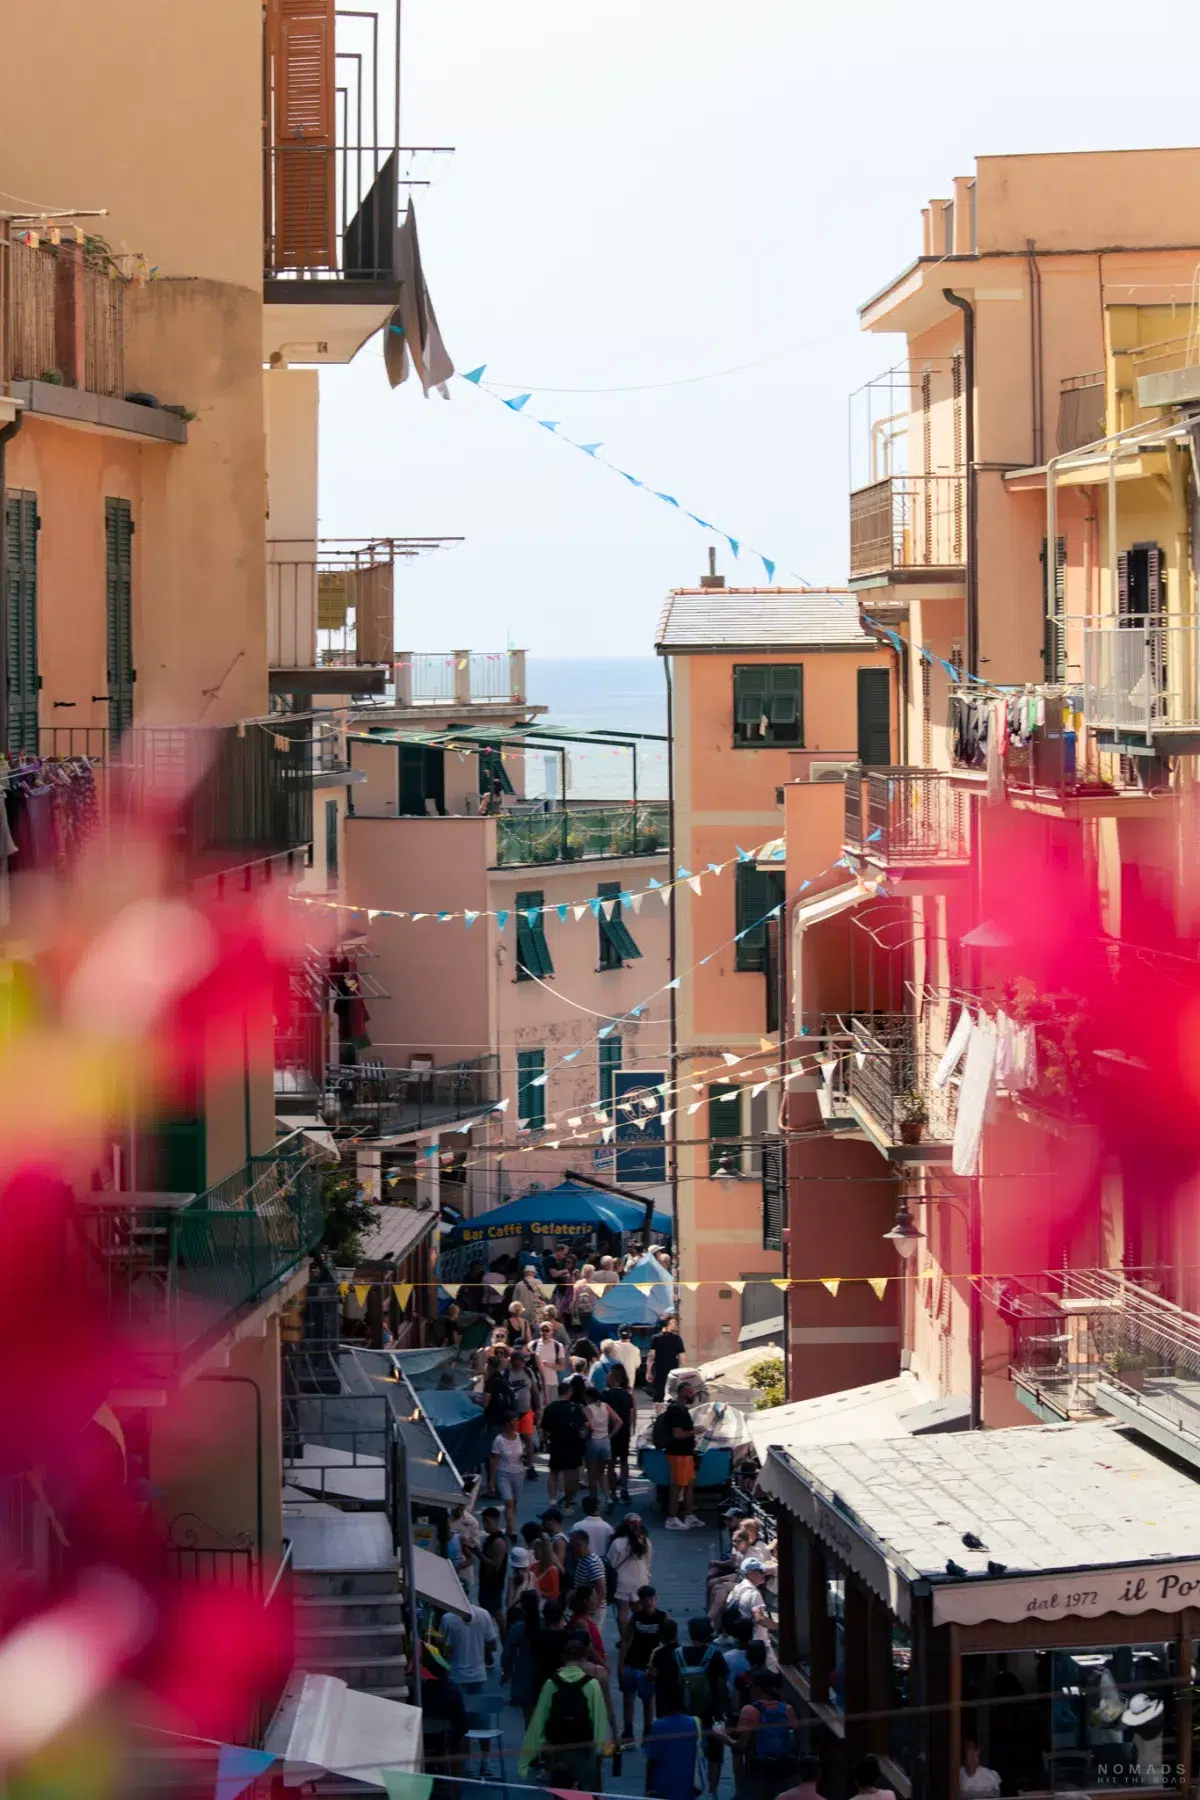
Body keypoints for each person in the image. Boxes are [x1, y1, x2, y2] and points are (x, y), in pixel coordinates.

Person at [519, 1627, 610, 1793]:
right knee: (588, 1792)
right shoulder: (592, 1685)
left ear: (562, 1657)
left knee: (561, 1792)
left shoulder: (551, 1684)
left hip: (558, 1752)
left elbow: (538, 1721)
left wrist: (526, 1759)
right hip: (584, 1752)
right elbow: (599, 1720)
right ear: (584, 1656)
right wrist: (602, 1751)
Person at [677, 1616, 729, 1797]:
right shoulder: (715, 1655)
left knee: (688, 1751)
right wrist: (723, 1710)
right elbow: (722, 1685)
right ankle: (712, 1790)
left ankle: (690, 1787)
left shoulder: (679, 1654)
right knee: (715, 1753)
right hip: (711, 1711)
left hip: (686, 1711)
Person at [736, 1669, 801, 1800]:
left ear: (758, 1688)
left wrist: (721, 1736)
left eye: (751, 1687)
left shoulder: (749, 1710)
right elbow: (794, 1736)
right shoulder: (788, 1709)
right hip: (783, 1770)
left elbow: (740, 1746)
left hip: (758, 1770)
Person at [619, 1583, 669, 1742]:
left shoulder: (663, 1618)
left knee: (648, 1700)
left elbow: (668, 1642)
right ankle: (628, 1731)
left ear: (655, 1599)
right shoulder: (636, 1618)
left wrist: (660, 1666)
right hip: (632, 1661)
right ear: (640, 1601)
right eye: (645, 1599)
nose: (649, 1602)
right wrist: (621, 1664)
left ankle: (648, 1730)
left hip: (649, 1665)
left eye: (651, 1598)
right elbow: (626, 1640)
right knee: (628, 1697)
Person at [645, 1663, 702, 1800]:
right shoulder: (694, 1723)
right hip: (687, 1787)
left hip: (662, 1788)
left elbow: (652, 1760)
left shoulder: (657, 1726)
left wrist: (648, 1787)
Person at [419, 1640, 469, 1787]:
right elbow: (462, 1725)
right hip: (446, 1742)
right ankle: (455, 1786)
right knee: (462, 1741)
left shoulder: (420, 1692)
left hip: (424, 1742)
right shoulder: (452, 1691)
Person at [541, 1374, 588, 1510]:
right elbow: (583, 1427)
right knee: (571, 1474)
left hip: (556, 1443)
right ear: (569, 1392)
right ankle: (568, 1502)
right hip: (573, 1445)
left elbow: (544, 1428)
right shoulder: (576, 1407)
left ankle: (552, 1499)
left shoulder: (550, 1407)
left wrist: (545, 1441)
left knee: (554, 1472)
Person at [659, 1380, 702, 1530]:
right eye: (689, 1392)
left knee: (689, 1484)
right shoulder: (676, 1411)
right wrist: (695, 1431)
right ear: (682, 1392)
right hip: (678, 1454)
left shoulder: (682, 1409)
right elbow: (677, 1434)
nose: (692, 1395)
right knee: (677, 1486)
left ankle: (689, 1516)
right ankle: (672, 1518)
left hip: (686, 1453)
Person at [442, 1599, 499, 1696]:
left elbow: (445, 1651)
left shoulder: (447, 1618)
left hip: (456, 1676)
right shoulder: (484, 1614)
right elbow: (493, 1646)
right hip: (478, 1676)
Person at [609, 1513, 653, 1635]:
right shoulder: (646, 1542)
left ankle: (624, 1638)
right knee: (638, 1612)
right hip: (641, 1580)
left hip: (623, 1581)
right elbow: (648, 1562)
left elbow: (611, 1563)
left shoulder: (618, 1542)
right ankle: (639, 1635)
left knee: (622, 1613)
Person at [502, 1588, 541, 1723]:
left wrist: (506, 1674)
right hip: (543, 1672)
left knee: (528, 1716)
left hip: (524, 1674)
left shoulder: (518, 1628)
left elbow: (508, 1654)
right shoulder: (544, 1624)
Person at [583, 1382, 621, 1501]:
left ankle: (593, 1499)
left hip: (593, 1441)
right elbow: (619, 1422)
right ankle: (607, 1497)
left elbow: (592, 1426)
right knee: (601, 1472)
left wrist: (586, 1425)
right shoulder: (606, 1405)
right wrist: (610, 1435)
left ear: (588, 1397)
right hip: (605, 1442)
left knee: (591, 1474)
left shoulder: (587, 1409)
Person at [488, 1415, 525, 1536]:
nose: (516, 1424)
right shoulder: (499, 1440)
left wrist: (526, 1458)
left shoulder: (519, 1437)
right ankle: (512, 1530)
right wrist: (491, 1480)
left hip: (519, 1473)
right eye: (513, 1421)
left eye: (517, 1421)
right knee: (509, 1502)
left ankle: (510, 1527)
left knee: (514, 1502)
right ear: (506, 1423)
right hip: (503, 1474)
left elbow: (525, 1453)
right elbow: (494, 1460)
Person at [605, 1362, 635, 1502]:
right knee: (624, 1461)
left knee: (611, 1462)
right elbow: (631, 1412)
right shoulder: (627, 1394)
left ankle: (612, 1491)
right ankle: (624, 1488)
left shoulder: (605, 1394)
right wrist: (632, 1426)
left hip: (609, 1430)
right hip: (624, 1430)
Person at [507, 1347, 539, 1474]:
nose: (523, 1363)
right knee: (512, 1439)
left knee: (528, 1439)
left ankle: (530, 1466)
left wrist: (538, 1408)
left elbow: (535, 1391)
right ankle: (513, 1465)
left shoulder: (528, 1372)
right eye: (521, 1360)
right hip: (512, 1412)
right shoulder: (507, 1373)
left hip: (526, 1410)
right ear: (514, 1361)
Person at [476, 1505, 509, 1628]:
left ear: (495, 1521)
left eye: (487, 1522)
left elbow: (496, 1565)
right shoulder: (490, 1539)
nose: (485, 1525)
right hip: (487, 1583)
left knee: (496, 1614)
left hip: (493, 1584)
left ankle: (502, 1640)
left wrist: (479, 1556)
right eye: (483, 1522)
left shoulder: (498, 1542)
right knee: (493, 1614)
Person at [725, 1555, 770, 1637]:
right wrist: (778, 1626)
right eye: (761, 1571)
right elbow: (760, 1619)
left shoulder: (736, 1588)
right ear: (751, 1574)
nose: (764, 1574)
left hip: (739, 1639)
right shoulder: (754, 1594)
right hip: (756, 1642)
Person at [565, 1528, 606, 1617]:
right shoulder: (582, 1559)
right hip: (584, 1609)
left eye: (572, 1546)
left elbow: (602, 1590)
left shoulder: (592, 1563)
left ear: (580, 1545)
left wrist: (592, 1610)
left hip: (592, 1611)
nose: (570, 1549)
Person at [646, 1313, 685, 1403]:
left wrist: (648, 1372)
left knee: (658, 1399)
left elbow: (651, 1356)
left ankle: (659, 1416)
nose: (676, 1324)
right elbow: (682, 1357)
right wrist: (682, 1372)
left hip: (659, 1373)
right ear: (666, 1324)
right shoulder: (677, 1339)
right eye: (673, 1322)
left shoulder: (655, 1338)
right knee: (672, 1398)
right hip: (673, 1374)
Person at [568, 1582, 609, 1664]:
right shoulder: (581, 1622)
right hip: (592, 1664)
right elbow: (590, 1649)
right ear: (586, 1601)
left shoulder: (588, 1617)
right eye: (594, 1597)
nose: (596, 1600)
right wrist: (603, 1664)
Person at [535, 1317, 566, 1403]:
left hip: (553, 1383)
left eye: (547, 1330)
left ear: (552, 1332)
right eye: (542, 1330)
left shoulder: (558, 1346)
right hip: (538, 1384)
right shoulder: (533, 1344)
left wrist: (550, 1365)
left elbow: (562, 1367)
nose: (544, 1333)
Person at [576, 1492, 615, 1561]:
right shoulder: (607, 1527)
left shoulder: (577, 1526)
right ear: (598, 1508)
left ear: (583, 1508)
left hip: (582, 1562)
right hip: (602, 1562)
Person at [532, 1534, 561, 1601]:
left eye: (536, 1551)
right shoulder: (533, 1566)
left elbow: (554, 1595)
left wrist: (540, 1593)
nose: (534, 1553)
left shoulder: (553, 1570)